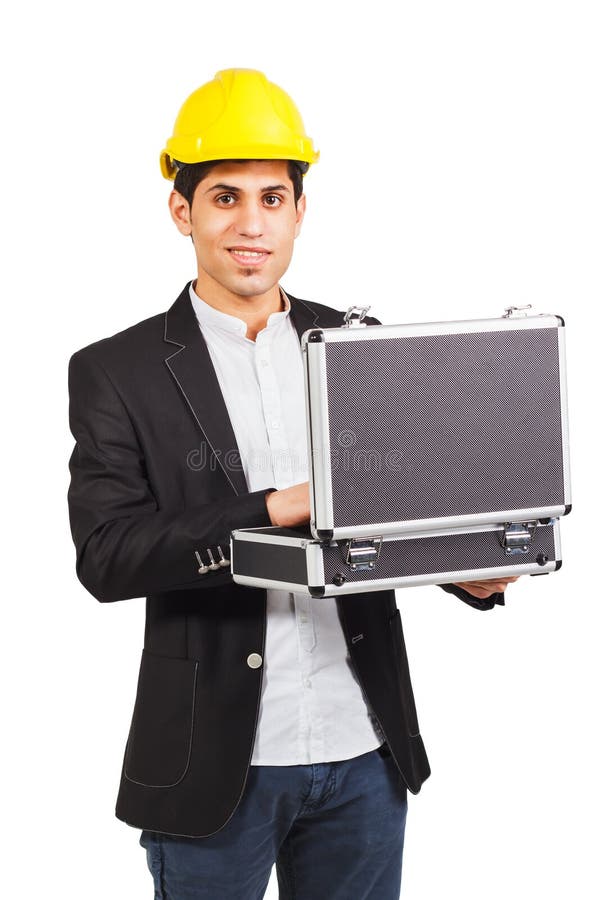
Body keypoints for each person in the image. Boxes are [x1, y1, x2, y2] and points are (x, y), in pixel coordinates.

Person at [67, 68, 519, 900]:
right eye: (225, 197)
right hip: (216, 766)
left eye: (273, 199)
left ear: (300, 213)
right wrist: (276, 507)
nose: (250, 224)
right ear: (182, 210)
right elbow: (107, 556)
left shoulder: (357, 343)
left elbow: (410, 503)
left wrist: (466, 572)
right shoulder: (115, 372)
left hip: (363, 755)